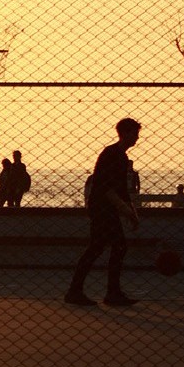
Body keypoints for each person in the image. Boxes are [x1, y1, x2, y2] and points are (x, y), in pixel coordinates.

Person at [66, 117, 141, 307]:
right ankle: (106, 292)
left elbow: (122, 190)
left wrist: (132, 211)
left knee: (104, 247)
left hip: (107, 208)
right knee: (109, 246)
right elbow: (107, 189)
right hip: (101, 208)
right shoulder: (112, 154)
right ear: (124, 133)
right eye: (134, 133)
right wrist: (126, 211)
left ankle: (95, 291)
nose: (137, 137)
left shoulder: (121, 157)